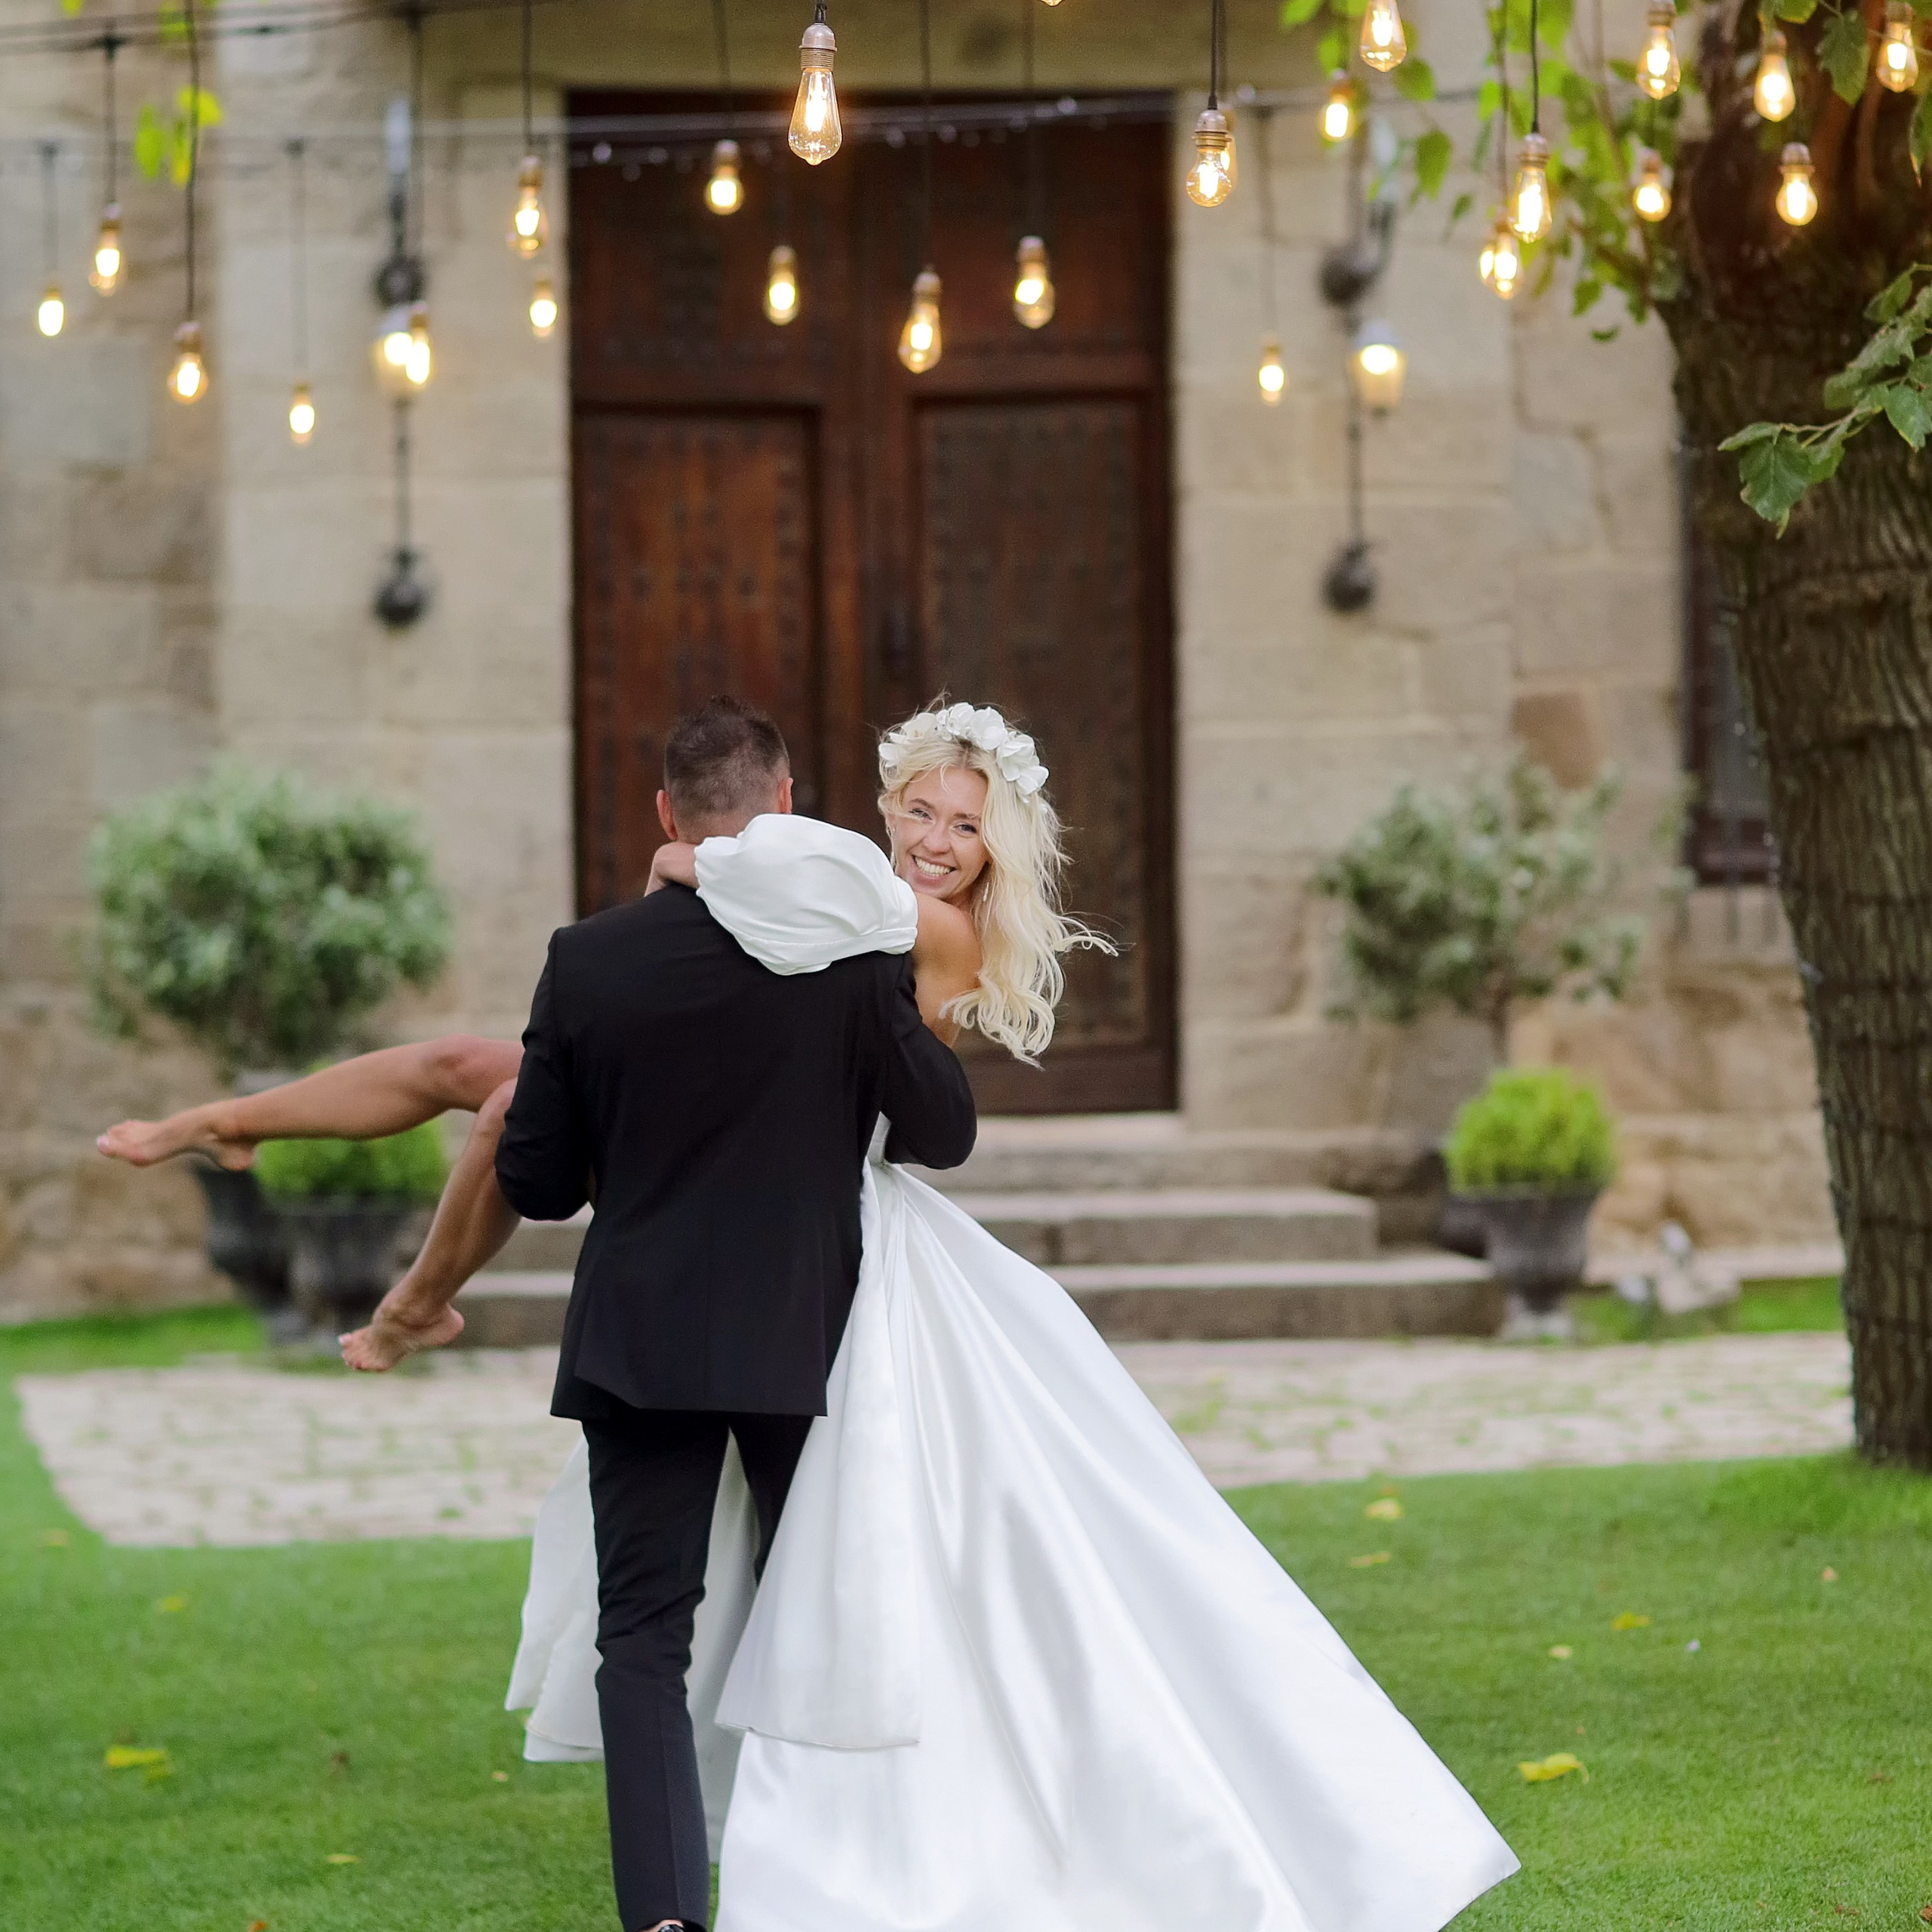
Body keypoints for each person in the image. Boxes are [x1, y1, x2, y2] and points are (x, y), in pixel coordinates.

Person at [102, 697, 1521, 1932]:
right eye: (918, 809)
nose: (937, 839)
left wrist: (688, 862)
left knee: (815, 1579)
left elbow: (890, 1064)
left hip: (837, 1255)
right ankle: (257, 1147)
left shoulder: (912, 927)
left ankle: (410, 1295)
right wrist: (717, 873)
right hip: (776, 1239)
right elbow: (780, 902)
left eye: (966, 824)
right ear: (858, 801)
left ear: (990, 849)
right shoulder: (826, 890)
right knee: (474, 1069)